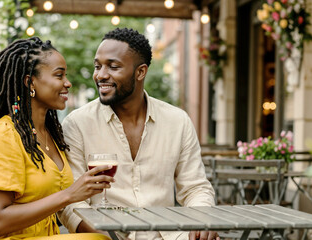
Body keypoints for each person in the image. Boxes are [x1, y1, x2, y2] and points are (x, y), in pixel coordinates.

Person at [57, 28, 219, 240]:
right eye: (98, 66)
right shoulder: (77, 124)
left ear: (140, 72)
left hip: (168, 235)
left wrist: (203, 219)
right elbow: (71, 203)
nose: (101, 75)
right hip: (105, 236)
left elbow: (195, 188)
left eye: (113, 67)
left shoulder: (178, 121)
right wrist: (103, 236)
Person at [0, 37, 114, 240]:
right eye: (59, 75)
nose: (67, 83)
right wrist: (70, 194)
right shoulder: (0, 135)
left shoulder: (49, 135)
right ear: (30, 82)